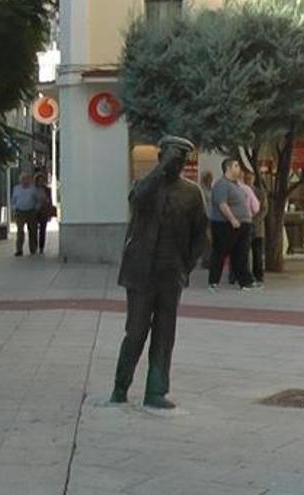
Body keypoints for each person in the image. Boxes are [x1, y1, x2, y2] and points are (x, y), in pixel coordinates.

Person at [104, 136, 207, 409]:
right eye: (172, 157)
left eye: (181, 159)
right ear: (161, 156)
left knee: (164, 334)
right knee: (136, 331)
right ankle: (120, 387)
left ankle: (156, 391)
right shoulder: (145, 185)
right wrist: (160, 170)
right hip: (140, 272)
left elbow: (200, 237)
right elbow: (136, 200)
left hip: (170, 274)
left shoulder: (192, 193)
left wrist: (185, 268)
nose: (177, 163)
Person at [208, 158, 255, 290]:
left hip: (243, 224)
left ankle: (245, 282)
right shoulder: (222, 184)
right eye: (236, 166)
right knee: (220, 252)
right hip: (225, 224)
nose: (238, 168)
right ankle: (213, 281)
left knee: (241, 253)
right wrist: (232, 219)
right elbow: (222, 204)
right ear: (228, 168)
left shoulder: (236, 185)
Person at [11, 172, 40, 256]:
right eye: (23, 179)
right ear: (20, 180)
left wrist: (36, 208)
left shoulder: (33, 189)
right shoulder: (16, 188)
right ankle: (19, 250)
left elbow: (37, 200)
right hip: (20, 212)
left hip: (31, 211)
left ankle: (33, 248)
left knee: (33, 231)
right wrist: (14, 208)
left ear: (29, 180)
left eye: (27, 179)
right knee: (20, 231)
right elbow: (13, 200)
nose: (25, 181)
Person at [247, 170, 268, 285]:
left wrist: (255, 220)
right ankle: (239, 274)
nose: (248, 180)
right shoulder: (240, 191)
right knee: (242, 252)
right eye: (247, 178)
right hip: (243, 226)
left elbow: (264, 209)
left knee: (257, 252)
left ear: (254, 179)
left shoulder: (260, 193)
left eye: (250, 178)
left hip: (257, 227)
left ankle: (258, 275)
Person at [34, 173, 55, 254]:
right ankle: (34, 246)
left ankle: (41, 247)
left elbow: (50, 201)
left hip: (43, 211)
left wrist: (49, 212)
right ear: (36, 181)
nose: (41, 182)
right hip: (35, 211)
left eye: (42, 181)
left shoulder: (47, 190)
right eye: (39, 181)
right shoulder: (33, 189)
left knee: (43, 230)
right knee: (33, 230)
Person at [199, 171, 214, 269]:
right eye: (208, 178)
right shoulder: (201, 190)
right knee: (207, 240)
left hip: (213, 217)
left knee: (212, 240)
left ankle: (210, 259)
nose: (209, 180)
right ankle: (206, 260)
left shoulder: (212, 189)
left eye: (210, 178)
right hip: (205, 217)